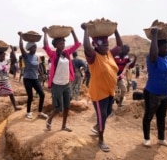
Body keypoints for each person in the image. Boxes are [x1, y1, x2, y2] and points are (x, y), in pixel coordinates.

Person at [81, 23, 122, 152]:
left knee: (108, 113)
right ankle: (101, 140)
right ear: (96, 45)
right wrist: (86, 30)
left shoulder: (108, 54)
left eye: (107, 45)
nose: (106, 47)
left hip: (110, 91)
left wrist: (116, 31)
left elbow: (120, 46)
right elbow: (86, 47)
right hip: (99, 93)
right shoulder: (93, 57)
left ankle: (97, 127)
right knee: (102, 115)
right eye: (103, 45)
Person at [142, 27, 167, 148]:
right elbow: (153, 53)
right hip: (152, 93)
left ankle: (161, 139)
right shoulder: (153, 59)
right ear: (158, 48)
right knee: (148, 116)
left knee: (161, 117)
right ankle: (146, 138)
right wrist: (155, 36)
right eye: (165, 47)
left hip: (165, 94)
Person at [42, 26, 81, 132]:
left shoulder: (67, 53)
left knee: (67, 106)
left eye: (63, 43)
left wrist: (73, 31)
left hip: (66, 84)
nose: (62, 45)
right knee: (59, 108)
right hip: (56, 85)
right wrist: (45, 33)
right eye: (60, 43)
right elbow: (45, 46)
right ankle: (49, 119)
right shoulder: (53, 55)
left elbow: (77, 44)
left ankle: (63, 125)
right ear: (55, 45)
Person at [17, 32, 48, 119]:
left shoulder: (36, 57)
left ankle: (40, 112)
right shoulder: (26, 56)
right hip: (27, 78)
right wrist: (20, 37)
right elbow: (21, 47)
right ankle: (28, 112)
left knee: (42, 94)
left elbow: (37, 67)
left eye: (35, 47)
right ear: (30, 48)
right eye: (33, 47)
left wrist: (41, 74)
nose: (35, 48)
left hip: (35, 78)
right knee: (30, 96)